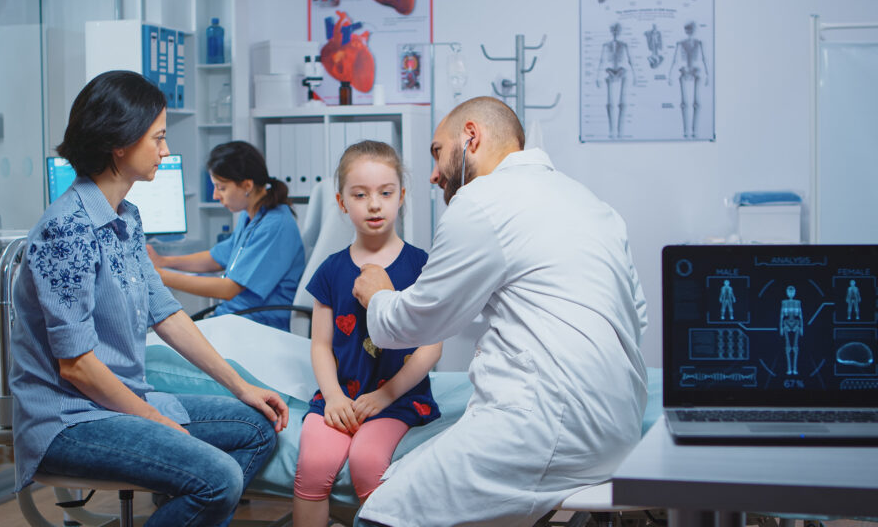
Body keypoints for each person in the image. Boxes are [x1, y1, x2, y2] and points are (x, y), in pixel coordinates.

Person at [9, 70, 289, 527]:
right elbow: (76, 365)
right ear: (119, 143)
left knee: (256, 427)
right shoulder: (67, 229)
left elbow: (166, 312)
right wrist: (155, 422)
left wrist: (241, 386)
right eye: (158, 138)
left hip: (122, 402)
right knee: (218, 477)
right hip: (70, 420)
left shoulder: (127, 218)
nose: (165, 150)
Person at [351, 96, 648, 526]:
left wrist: (378, 294)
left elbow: (416, 322)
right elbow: (635, 315)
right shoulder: (591, 203)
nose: (433, 175)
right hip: (619, 426)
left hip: (544, 428)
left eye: (437, 152)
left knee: (383, 512)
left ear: (470, 137)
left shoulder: (482, 201)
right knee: (414, 480)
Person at [294, 141, 442, 527]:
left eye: (385, 193)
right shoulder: (330, 270)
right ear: (342, 202)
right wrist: (333, 396)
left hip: (398, 398)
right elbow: (321, 345)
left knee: (367, 461)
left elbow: (431, 347)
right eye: (360, 195)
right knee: (313, 464)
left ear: (401, 197)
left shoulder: (423, 266)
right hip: (340, 397)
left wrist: (384, 395)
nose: (374, 204)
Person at [147, 140, 306, 330]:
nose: (215, 196)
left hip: (259, 326)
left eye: (221, 188)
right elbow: (215, 258)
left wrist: (158, 276)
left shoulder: (275, 225)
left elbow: (229, 289)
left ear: (247, 185)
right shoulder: (253, 216)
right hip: (237, 317)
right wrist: (163, 261)